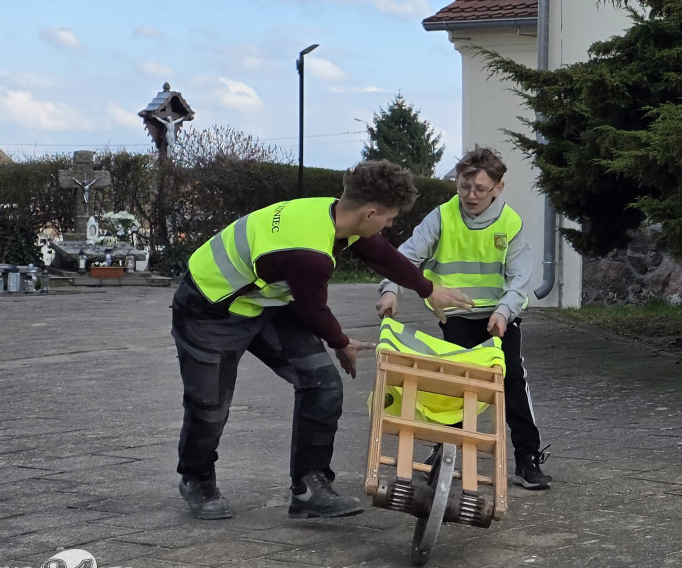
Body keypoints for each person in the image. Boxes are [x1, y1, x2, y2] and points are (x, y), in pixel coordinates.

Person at [172, 160, 473, 520]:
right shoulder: (309, 254)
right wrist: (341, 341)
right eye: (389, 218)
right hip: (210, 308)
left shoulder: (332, 214)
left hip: (263, 301)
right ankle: (196, 478)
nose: (389, 225)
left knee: (323, 384)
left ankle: (308, 488)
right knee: (209, 406)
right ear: (369, 212)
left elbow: (379, 252)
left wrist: (428, 289)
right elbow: (313, 309)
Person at [376, 146, 551, 490]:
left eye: (480, 189)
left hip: (500, 317)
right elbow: (405, 257)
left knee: (511, 379)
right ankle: (446, 452)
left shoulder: (510, 223)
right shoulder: (441, 217)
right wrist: (390, 290)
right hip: (456, 315)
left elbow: (520, 278)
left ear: (498, 188)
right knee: (453, 384)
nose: (470, 196)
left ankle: (527, 459)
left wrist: (504, 312)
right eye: (463, 187)